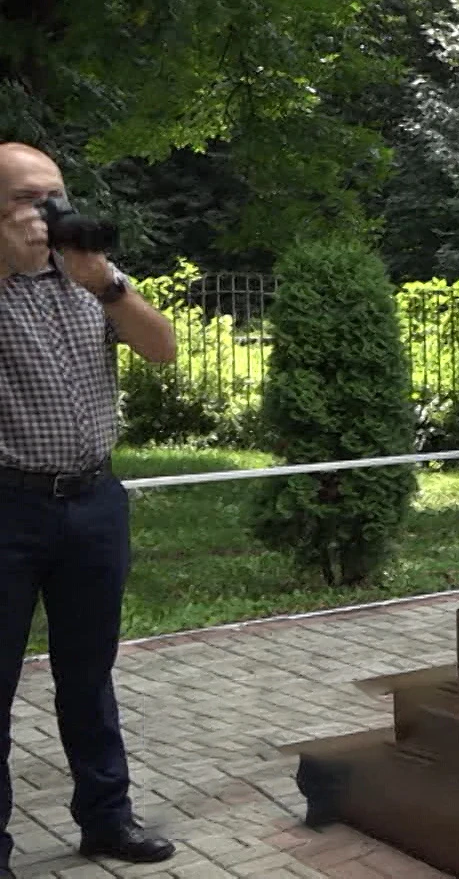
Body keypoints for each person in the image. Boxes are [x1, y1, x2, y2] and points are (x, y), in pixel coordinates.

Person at [0, 143, 180, 876]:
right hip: (7, 508)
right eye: (28, 200)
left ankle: (106, 820)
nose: (49, 215)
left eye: (57, 197)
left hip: (94, 503)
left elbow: (163, 350)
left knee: (89, 674)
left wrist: (103, 282)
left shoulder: (90, 280)